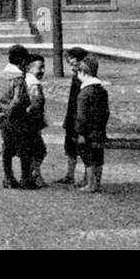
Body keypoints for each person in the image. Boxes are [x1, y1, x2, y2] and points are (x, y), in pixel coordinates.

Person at [0, 44, 31, 189]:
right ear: (21, 61)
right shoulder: (18, 78)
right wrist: (9, 112)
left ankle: (8, 178)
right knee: (24, 147)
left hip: (3, 116)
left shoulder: (1, 75)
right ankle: (25, 179)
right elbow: (17, 99)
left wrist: (0, 113)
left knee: (7, 147)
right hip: (17, 117)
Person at [73, 55, 110, 194]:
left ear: (82, 73)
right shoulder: (101, 90)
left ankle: (91, 184)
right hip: (99, 129)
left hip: (87, 132)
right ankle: (97, 183)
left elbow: (81, 116)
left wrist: (80, 132)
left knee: (88, 158)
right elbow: (106, 112)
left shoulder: (84, 94)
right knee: (98, 156)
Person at [54, 47, 89, 185]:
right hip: (72, 115)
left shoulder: (84, 77)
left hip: (78, 116)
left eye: (73, 61)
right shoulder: (76, 76)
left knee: (83, 148)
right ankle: (70, 175)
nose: (70, 64)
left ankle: (86, 177)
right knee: (70, 147)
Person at [21, 53, 48, 189]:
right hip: (32, 122)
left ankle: (34, 175)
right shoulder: (34, 84)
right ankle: (33, 175)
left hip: (25, 121)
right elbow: (36, 103)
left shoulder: (24, 80)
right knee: (39, 150)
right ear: (28, 68)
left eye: (43, 67)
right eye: (40, 67)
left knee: (34, 150)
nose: (42, 71)